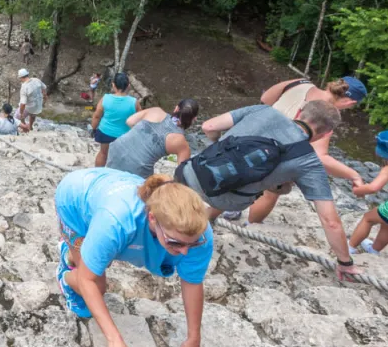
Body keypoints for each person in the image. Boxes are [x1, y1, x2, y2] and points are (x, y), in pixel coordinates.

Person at [55, 169, 217, 347]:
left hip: (107, 199)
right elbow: (88, 281)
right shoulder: (116, 221)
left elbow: (192, 282)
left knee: (96, 261)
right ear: (152, 218)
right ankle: (65, 275)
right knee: (95, 286)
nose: (185, 252)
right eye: (175, 243)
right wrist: (115, 341)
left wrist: (193, 340)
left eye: (193, 244)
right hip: (76, 200)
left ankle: (81, 256)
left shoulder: (199, 232)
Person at [179, 100, 360, 282]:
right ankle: (208, 217)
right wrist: (345, 262)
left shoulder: (263, 110)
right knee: (274, 184)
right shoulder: (309, 162)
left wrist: (218, 146)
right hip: (225, 201)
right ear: (326, 134)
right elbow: (331, 222)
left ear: (298, 112)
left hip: (188, 174)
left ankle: (205, 215)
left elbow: (209, 126)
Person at [227, 76, 368, 223]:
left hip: (249, 139)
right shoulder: (326, 116)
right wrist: (354, 175)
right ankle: (251, 225)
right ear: (349, 102)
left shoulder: (300, 82)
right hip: (274, 155)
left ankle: (229, 210)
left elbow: (265, 99)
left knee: (238, 175)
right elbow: (322, 158)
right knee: (270, 192)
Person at [107, 100, 198, 178]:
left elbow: (129, 121)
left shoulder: (156, 111)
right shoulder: (181, 143)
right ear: (194, 119)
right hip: (138, 167)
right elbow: (182, 173)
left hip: (117, 148)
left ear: (176, 109)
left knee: (110, 178)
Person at [91, 73, 138, 166]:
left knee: (103, 154)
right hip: (125, 136)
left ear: (113, 85)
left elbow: (97, 116)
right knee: (122, 157)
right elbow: (140, 119)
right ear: (128, 86)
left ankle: (97, 174)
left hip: (106, 132)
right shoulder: (134, 102)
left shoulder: (106, 98)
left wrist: (94, 129)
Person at [17, 69, 48, 133]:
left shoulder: (24, 87)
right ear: (27, 74)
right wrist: (45, 96)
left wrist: (21, 113)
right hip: (38, 106)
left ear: (21, 77)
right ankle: (30, 126)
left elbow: (23, 103)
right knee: (33, 114)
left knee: (17, 117)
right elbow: (44, 87)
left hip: (30, 107)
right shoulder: (36, 80)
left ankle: (25, 129)